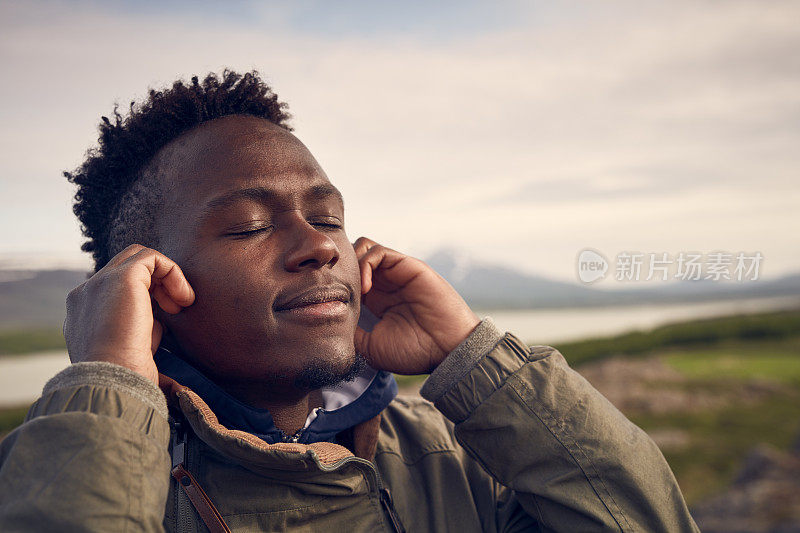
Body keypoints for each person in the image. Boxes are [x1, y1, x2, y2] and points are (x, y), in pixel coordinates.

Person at [0, 70, 699, 532]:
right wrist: (109, 389)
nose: (320, 246)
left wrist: (477, 361)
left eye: (328, 216)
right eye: (248, 223)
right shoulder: (48, 470)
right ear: (151, 288)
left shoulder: (454, 454)